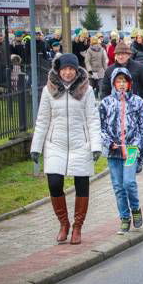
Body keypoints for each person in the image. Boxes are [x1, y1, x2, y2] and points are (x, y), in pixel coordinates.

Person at [30, 54, 101, 245]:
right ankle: (64, 223)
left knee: (81, 184)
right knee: (54, 183)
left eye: (71, 69)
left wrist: (95, 146)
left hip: (81, 144)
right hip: (56, 144)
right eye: (64, 69)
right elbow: (43, 120)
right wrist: (36, 147)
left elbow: (93, 120)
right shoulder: (49, 91)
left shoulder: (86, 91)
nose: (68, 73)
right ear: (58, 71)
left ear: (76, 71)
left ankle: (78, 227)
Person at [99, 68, 143, 233]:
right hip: (113, 152)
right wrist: (108, 143)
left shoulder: (137, 102)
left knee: (129, 182)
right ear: (113, 83)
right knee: (118, 186)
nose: (122, 84)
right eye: (118, 81)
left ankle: (135, 208)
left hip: (131, 149)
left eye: (124, 81)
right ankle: (124, 217)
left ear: (129, 83)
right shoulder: (106, 103)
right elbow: (99, 127)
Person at [101, 40, 143, 116]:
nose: (120, 56)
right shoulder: (110, 70)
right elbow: (105, 90)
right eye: (118, 54)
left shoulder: (139, 68)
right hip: (115, 108)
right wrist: (106, 106)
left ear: (129, 55)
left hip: (136, 107)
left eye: (123, 54)